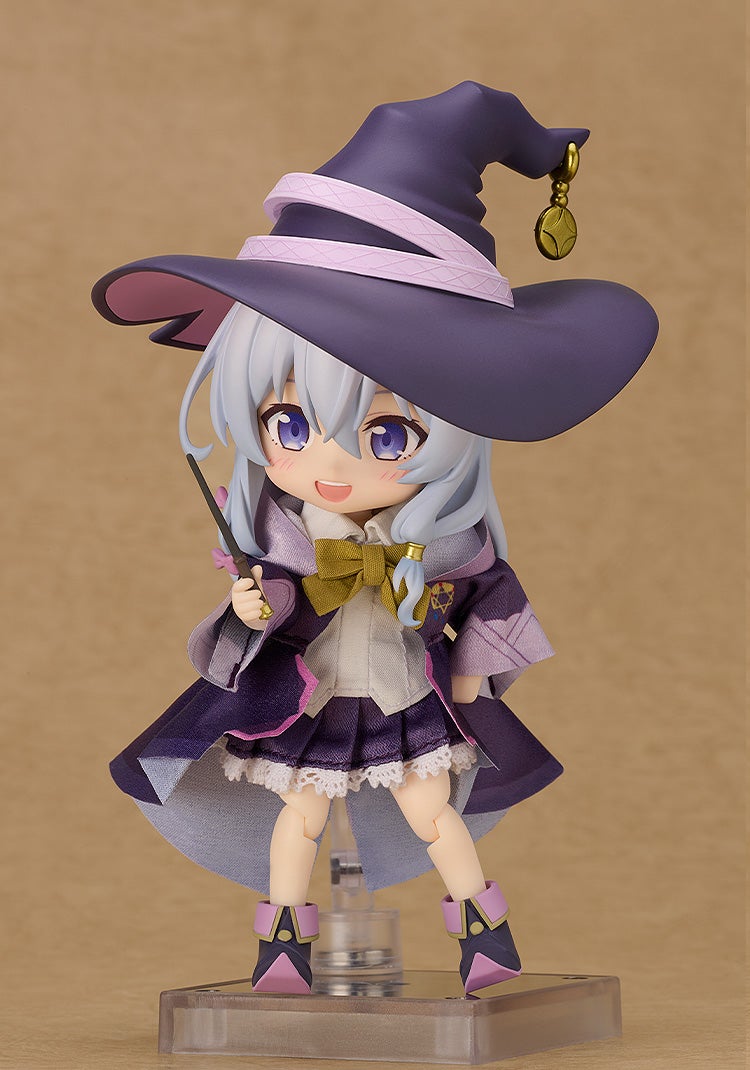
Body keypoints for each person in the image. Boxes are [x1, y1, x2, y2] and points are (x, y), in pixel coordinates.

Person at [92, 82, 658, 995]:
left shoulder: (448, 545)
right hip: (311, 702)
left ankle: (485, 936)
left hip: (402, 694)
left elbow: (489, 600)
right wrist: (252, 608)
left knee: (434, 814)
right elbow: (264, 611)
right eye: (286, 424)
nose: (326, 464)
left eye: (386, 435)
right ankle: (282, 948)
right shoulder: (280, 536)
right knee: (300, 819)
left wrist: (470, 678)